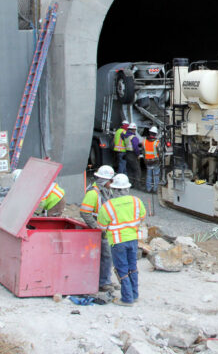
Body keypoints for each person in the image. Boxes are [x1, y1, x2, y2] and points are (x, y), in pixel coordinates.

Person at [97, 173, 147, 306]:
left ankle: (127, 298)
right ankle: (134, 294)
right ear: (127, 188)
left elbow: (101, 226)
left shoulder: (108, 206)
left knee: (121, 269)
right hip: (133, 239)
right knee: (133, 267)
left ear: (114, 189)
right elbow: (142, 217)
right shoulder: (137, 201)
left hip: (117, 241)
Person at [80, 164, 117, 292]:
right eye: (110, 180)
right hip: (99, 230)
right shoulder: (93, 193)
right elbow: (85, 212)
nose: (112, 182)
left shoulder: (106, 191)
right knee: (106, 257)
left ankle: (106, 279)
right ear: (104, 180)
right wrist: (96, 227)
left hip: (106, 230)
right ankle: (103, 282)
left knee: (107, 257)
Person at [144, 126, 162, 193]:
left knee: (148, 175)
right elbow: (160, 153)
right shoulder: (157, 143)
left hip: (148, 161)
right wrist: (160, 160)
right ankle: (155, 189)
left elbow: (143, 152)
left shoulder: (144, 141)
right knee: (156, 175)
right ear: (155, 134)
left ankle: (148, 189)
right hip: (155, 161)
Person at [124, 123, 142, 188]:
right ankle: (137, 185)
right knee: (137, 170)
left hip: (127, 154)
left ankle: (130, 183)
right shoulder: (133, 138)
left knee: (129, 170)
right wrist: (138, 154)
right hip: (133, 155)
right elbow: (135, 148)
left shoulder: (126, 136)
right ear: (134, 130)